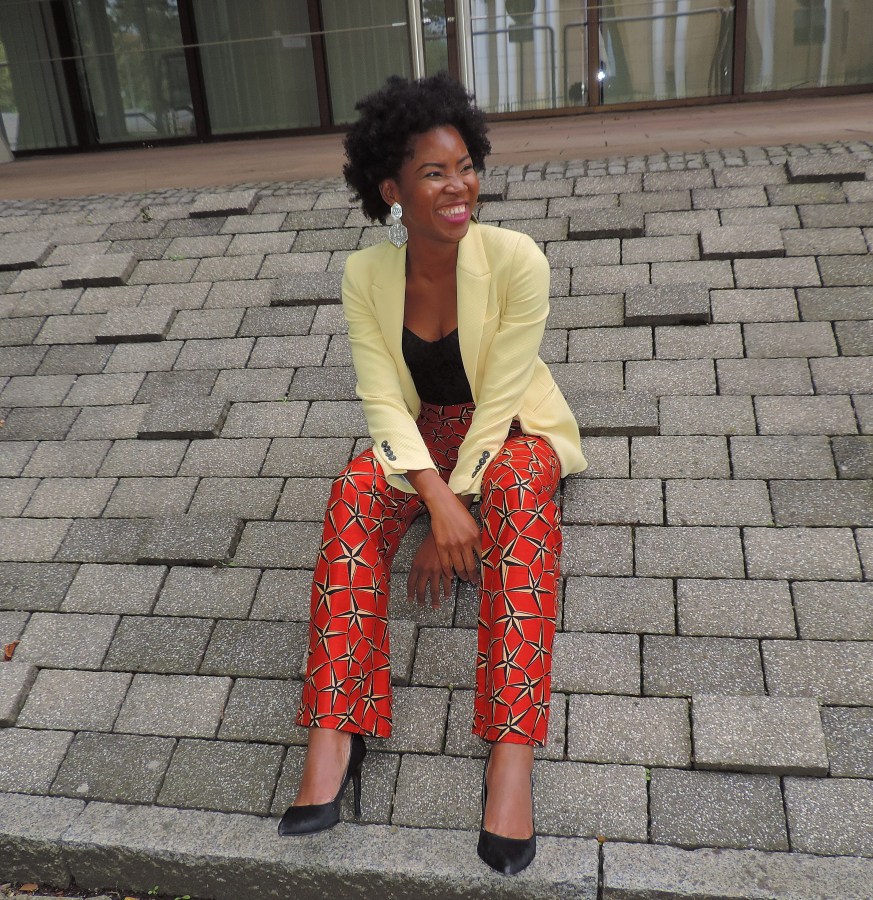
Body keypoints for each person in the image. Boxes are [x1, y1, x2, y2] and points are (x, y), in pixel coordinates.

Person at [278, 72, 586, 876]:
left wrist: (464, 499)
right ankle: (333, 736)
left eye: (466, 166)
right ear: (391, 189)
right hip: (420, 441)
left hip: (510, 429)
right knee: (351, 490)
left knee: (518, 488)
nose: (460, 187)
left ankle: (510, 757)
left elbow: (505, 395)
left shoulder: (517, 259)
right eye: (434, 173)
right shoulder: (363, 277)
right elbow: (380, 400)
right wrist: (436, 500)